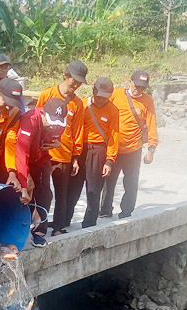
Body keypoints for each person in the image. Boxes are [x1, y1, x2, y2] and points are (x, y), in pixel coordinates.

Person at [5, 98, 68, 247]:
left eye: (57, 124)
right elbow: (22, 154)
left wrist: (57, 142)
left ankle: (39, 232)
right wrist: (24, 185)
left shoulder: (59, 121)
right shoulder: (30, 120)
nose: (54, 127)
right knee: (20, 193)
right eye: (51, 123)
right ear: (43, 114)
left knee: (45, 193)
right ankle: (14, 229)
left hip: (42, 158)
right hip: (24, 158)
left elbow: (57, 137)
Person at [35, 60, 88, 236]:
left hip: (65, 154)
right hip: (45, 152)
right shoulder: (46, 94)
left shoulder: (78, 104)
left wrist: (75, 157)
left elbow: (78, 131)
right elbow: (36, 120)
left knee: (61, 194)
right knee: (41, 191)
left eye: (79, 83)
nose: (76, 85)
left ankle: (58, 226)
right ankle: (38, 225)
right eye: (74, 81)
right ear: (65, 76)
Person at [100, 70, 159, 219]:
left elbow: (152, 125)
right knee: (109, 180)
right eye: (136, 85)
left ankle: (126, 212)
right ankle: (105, 210)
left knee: (131, 183)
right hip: (114, 147)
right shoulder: (117, 94)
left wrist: (151, 149)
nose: (138, 89)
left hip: (134, 149)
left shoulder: (148, 101)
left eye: (142, 87)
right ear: (130, 81)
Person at [81, 77, 120, 229]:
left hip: (98, 151)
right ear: (93, 91)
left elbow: (114, 137)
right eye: (99, 96)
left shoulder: (112, 110)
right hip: (80, 149)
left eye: (105, 98)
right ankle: (63, 221)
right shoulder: (83, 104)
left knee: (94, 189)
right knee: (74, 188)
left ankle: (89, 223)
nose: (101, 100)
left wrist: (109, 161)